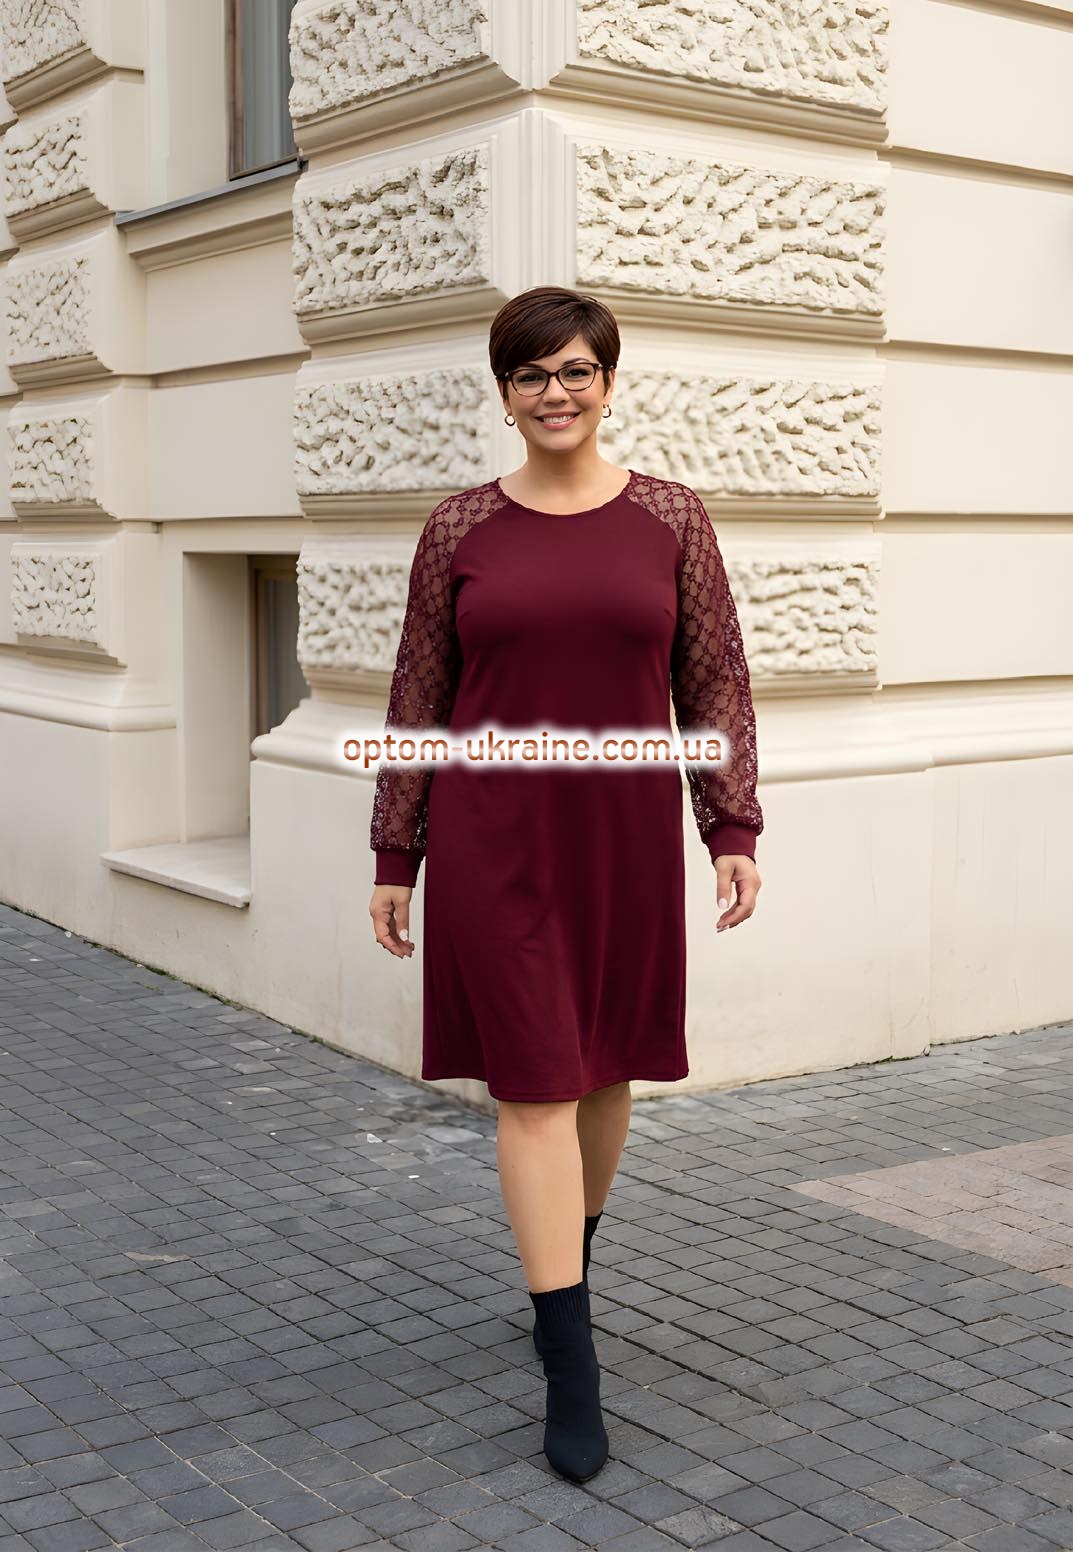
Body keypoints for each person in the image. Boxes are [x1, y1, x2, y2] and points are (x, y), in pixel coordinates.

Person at [368, 285, 764, 1483]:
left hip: (622, 839)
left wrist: (728, 825)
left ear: (607, 382)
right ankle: (569, 1360)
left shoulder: (672, 519)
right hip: (493, 842)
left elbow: (713, 682)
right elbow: (418, 694)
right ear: (503, 393)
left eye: (575, 370)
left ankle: (566, 1261)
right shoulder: (457, 528)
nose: (555, 391)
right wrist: (396, 853)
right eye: (531, 373)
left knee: (603, 1069)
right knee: (534, 1084)